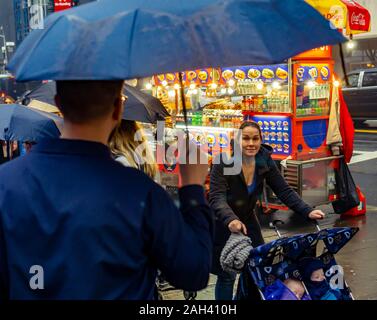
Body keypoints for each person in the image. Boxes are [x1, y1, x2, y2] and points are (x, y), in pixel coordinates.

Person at [0, 80, 213, 300]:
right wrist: (193, 187)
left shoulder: (5, 184)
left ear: (58, 104)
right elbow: (193, 272)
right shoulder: (140, 192)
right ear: (118, 109)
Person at [209, 121, 325, 300]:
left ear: (260, 140)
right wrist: (230, 219)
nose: (251, 143)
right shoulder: (223, 163)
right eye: (246, 139)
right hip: (225, 223)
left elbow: (283, 190)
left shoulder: (264, 161)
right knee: (227, 275)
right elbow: (217, 198)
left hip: (248, 220)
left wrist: (306, 210)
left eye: (255, 139)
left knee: (260, 266)